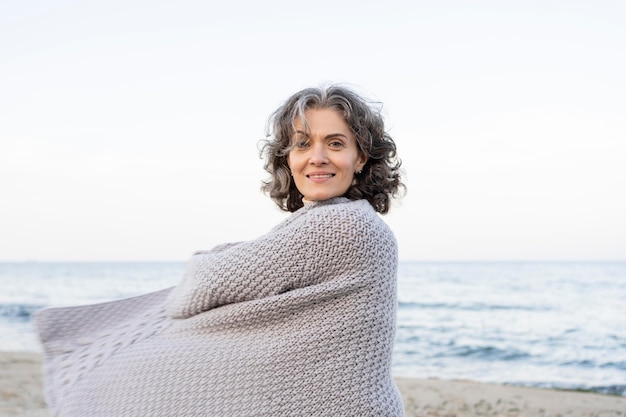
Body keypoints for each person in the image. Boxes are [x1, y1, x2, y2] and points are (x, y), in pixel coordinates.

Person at [36, 85, 405, 416]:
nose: (317, 156)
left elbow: (201, 286)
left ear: (361, 159)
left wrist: (207, 259)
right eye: (303, 143)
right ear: (287, 158)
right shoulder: (342, 223)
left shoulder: (347, 225)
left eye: (336, 143)